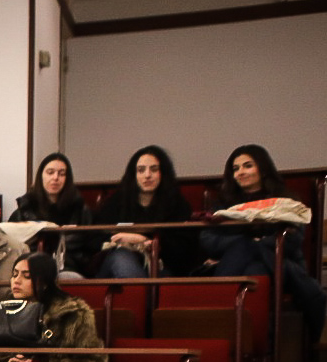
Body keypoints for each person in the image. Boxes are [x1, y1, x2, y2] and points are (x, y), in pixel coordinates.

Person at [205, 143, 325, 347]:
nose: (241, 172)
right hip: (242, 266)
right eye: (236, 168)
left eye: (247, 166)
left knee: (255, 266)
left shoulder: (286, 200)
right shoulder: (223, 204)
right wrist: (247, 244)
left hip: (280, 265)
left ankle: (236, 336)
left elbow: (293, 241)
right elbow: (208, 240)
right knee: (254, 266)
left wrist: (255, 246)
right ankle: (260, 346)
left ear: (262, 167)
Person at [87, 145, 195, 278]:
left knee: (162, 276)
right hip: (116, 262)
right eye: (141, 170)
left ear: (163, 173)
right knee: (122, 258)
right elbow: (94, 240)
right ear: (134, 174)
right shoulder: (117, 202)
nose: (147, 175)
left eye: (154, 169)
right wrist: (119, 240)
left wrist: (145, 241)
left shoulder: (177, 204)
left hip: (160, 266)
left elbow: (183, 251)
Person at [9, 152, 93, 227]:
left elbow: (91, 237)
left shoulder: (79, 210)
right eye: (50, 172)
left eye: (62, 174)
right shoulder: (25, 209)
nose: (55, 177)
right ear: (40, 176)